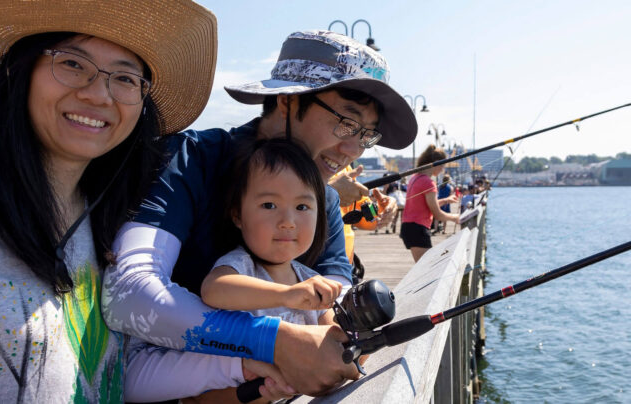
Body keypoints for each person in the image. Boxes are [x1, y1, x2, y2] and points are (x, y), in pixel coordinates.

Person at [0, 0, 216, 402]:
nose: (99, 94)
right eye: (71, 63)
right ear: (18, 70)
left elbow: (109, 377)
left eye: (125, 78)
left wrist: (243, 365)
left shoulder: (108, 221)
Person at [102, 30, 418, 400]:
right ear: (286, 101)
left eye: (366, 135)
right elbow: (127, 295)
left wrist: (336, 339)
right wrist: (274, 342)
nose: (352, 150)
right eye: (346, 123)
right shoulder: (190, 159)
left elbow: (338, 298)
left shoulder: (326, 202)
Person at [195, 138, 346, 402]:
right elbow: (214, 289)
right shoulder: (240, 266)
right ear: (238, 215)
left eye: (302, 207)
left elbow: (334, 337)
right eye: (269, 205)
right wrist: (287, 294)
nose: (288, 222)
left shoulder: (311, 280)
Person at [400, 145, 460, 262]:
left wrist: (445, 200)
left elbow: (423, 205)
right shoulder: (428, 182)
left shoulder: (415, 177)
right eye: (442, 166)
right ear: (436, 163)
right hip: (418, 229)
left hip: (408, 227)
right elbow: (437, 214)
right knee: (426, 271)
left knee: (425, 268)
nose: (442, 170)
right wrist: (455, 218)